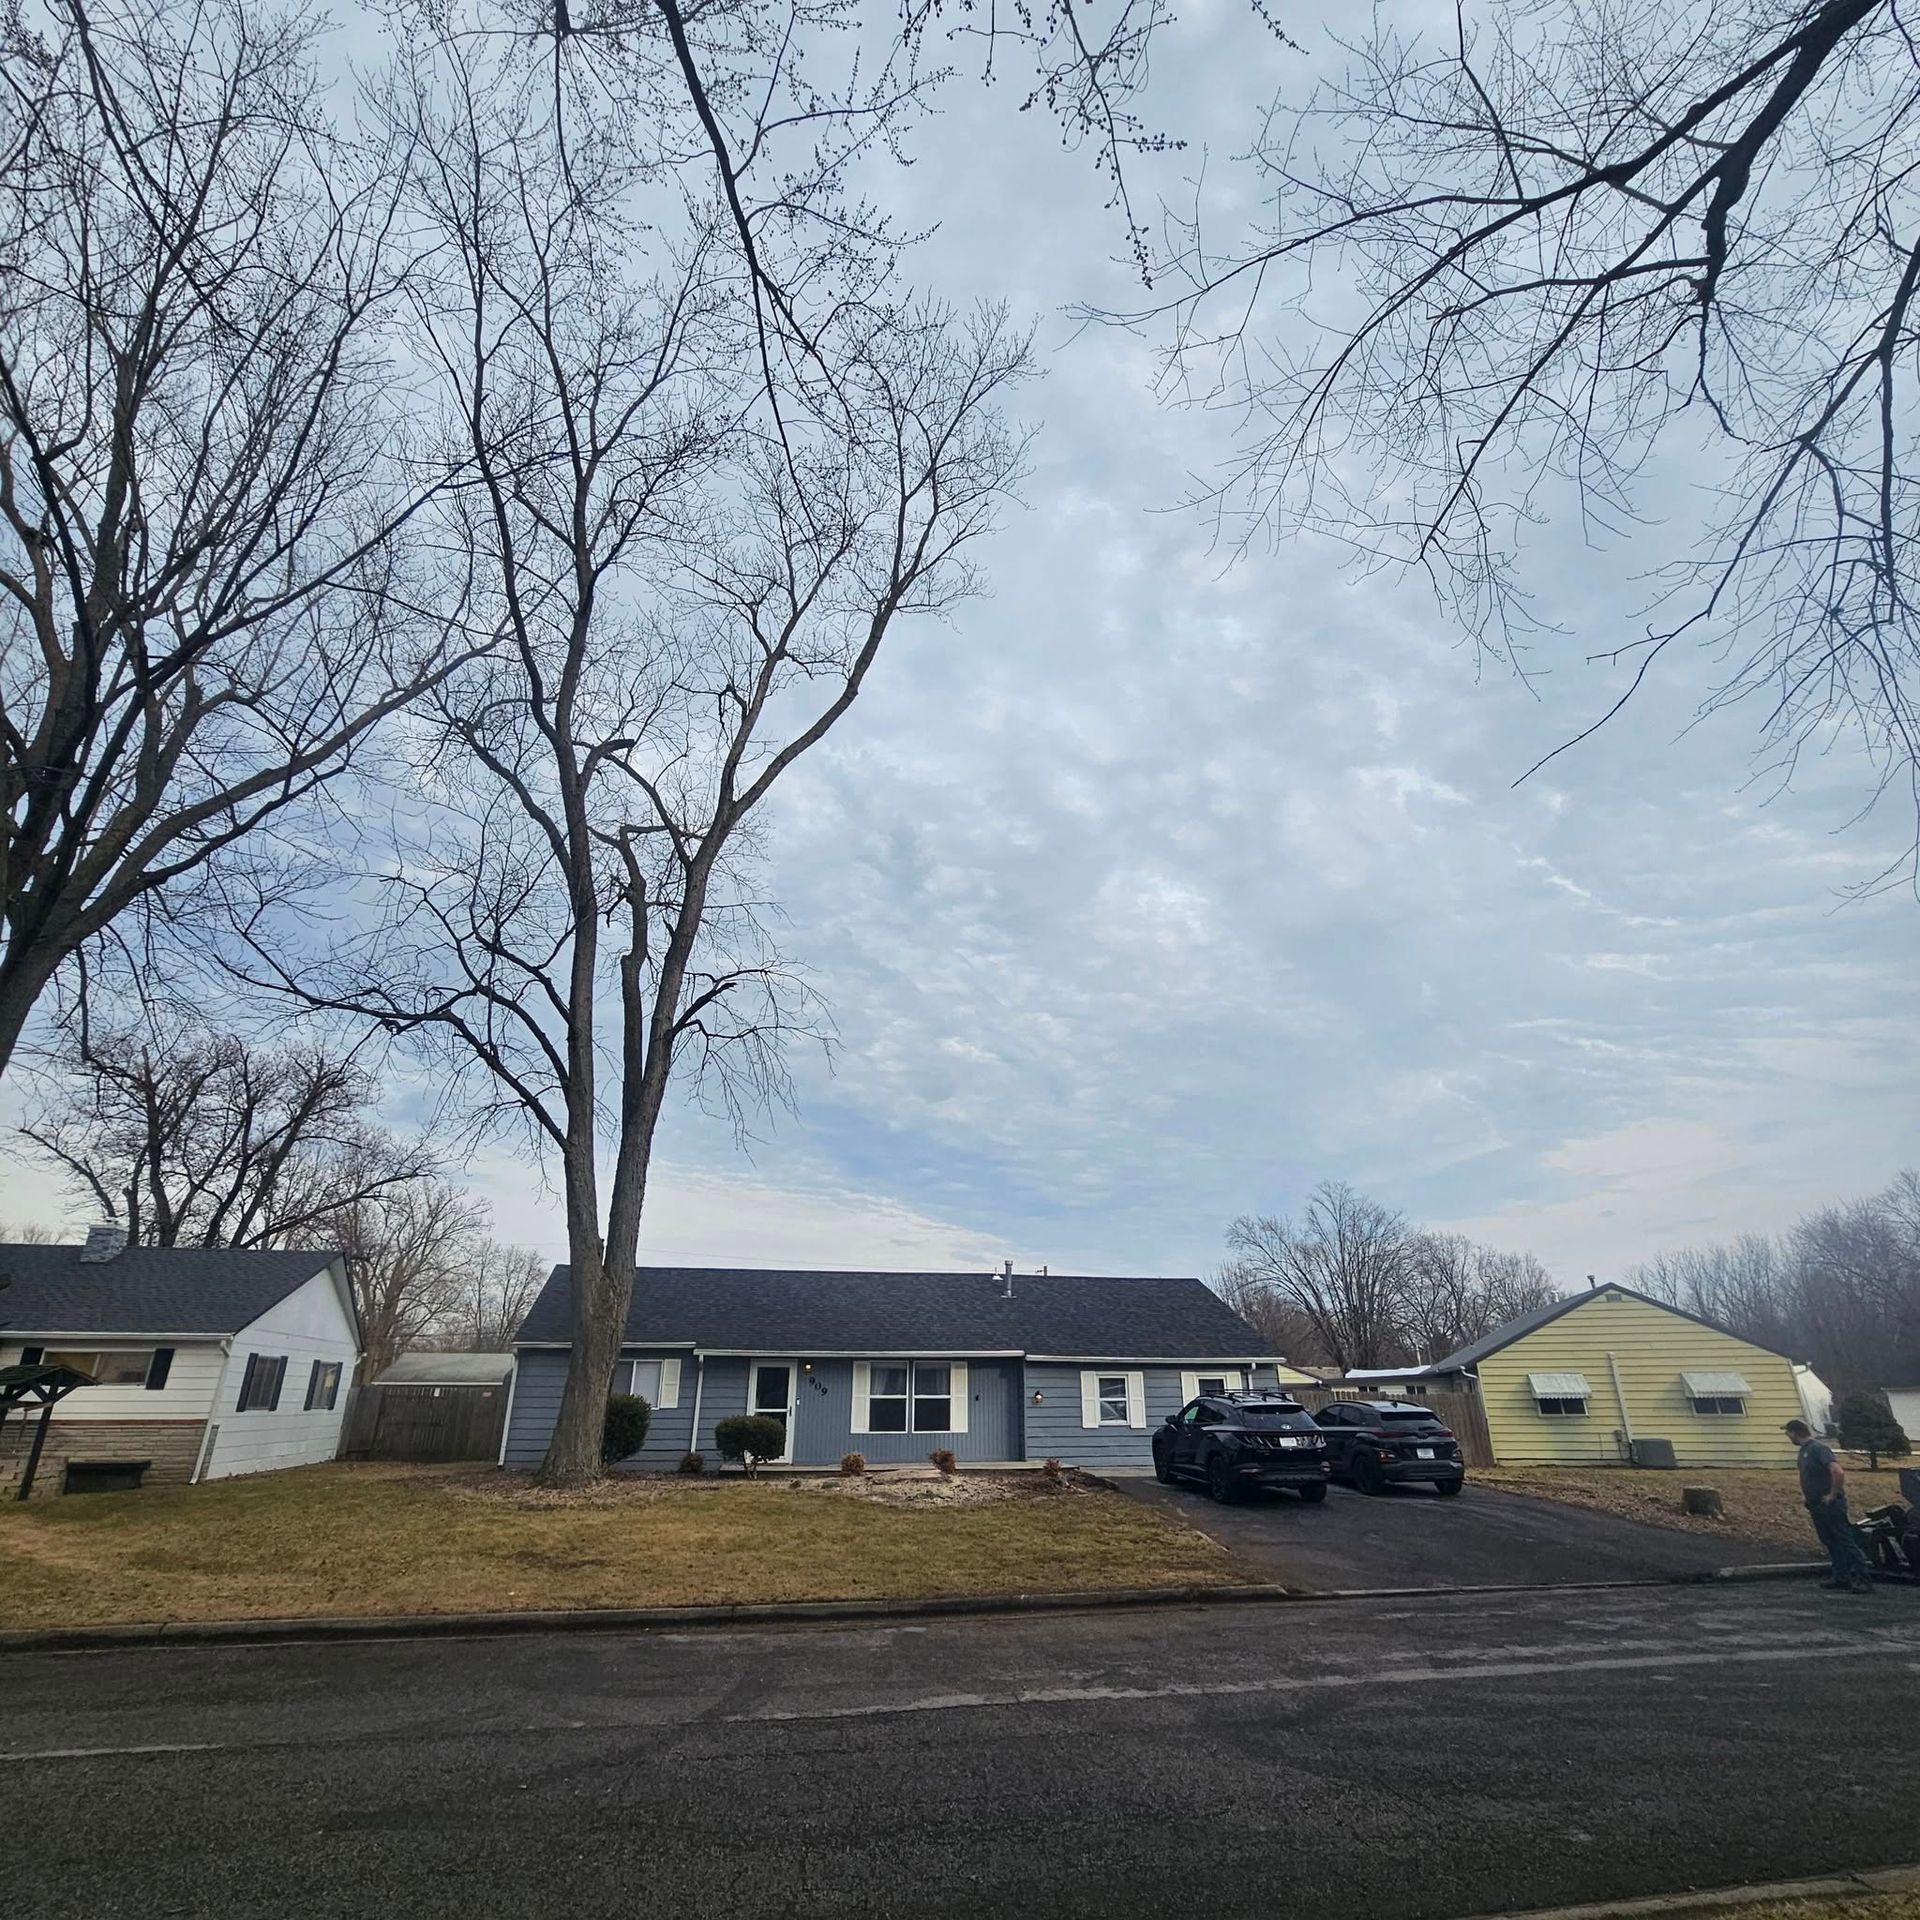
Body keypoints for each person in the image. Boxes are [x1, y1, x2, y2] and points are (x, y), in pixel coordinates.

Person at [1785, 1417, 1873, 1593]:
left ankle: (1864, 1579)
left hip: (1830, 1504)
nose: (1788, 1437)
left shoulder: (1819, 1449)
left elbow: (1837, 1471)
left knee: (1844, 1540)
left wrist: (1833, 1494)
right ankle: (1841, 1577)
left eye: (1788, 1433)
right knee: (1830, 1541)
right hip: (1816, 1504)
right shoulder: (1803, 1452)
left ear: (1795, 1433)